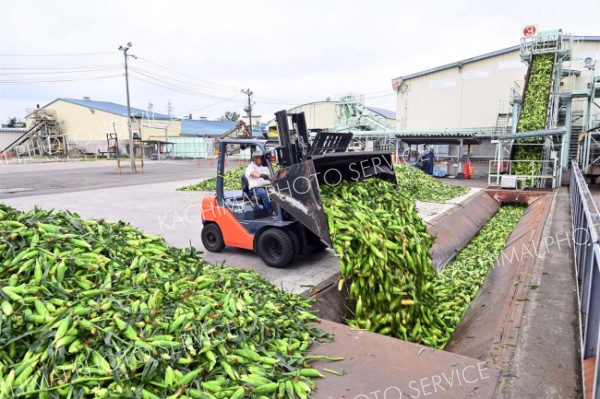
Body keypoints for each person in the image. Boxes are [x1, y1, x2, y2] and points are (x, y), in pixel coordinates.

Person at [245, 149, 274, 215]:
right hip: (255, 189)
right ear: (255, 158)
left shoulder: (264, 167)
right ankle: (272, 212)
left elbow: (270, 176)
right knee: (263, 193)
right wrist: (262, 175)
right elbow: (254, 174)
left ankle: (281, 210)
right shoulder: (250, 167)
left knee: (279, 191)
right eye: (261, 158)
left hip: (267, 186)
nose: (262, 160)